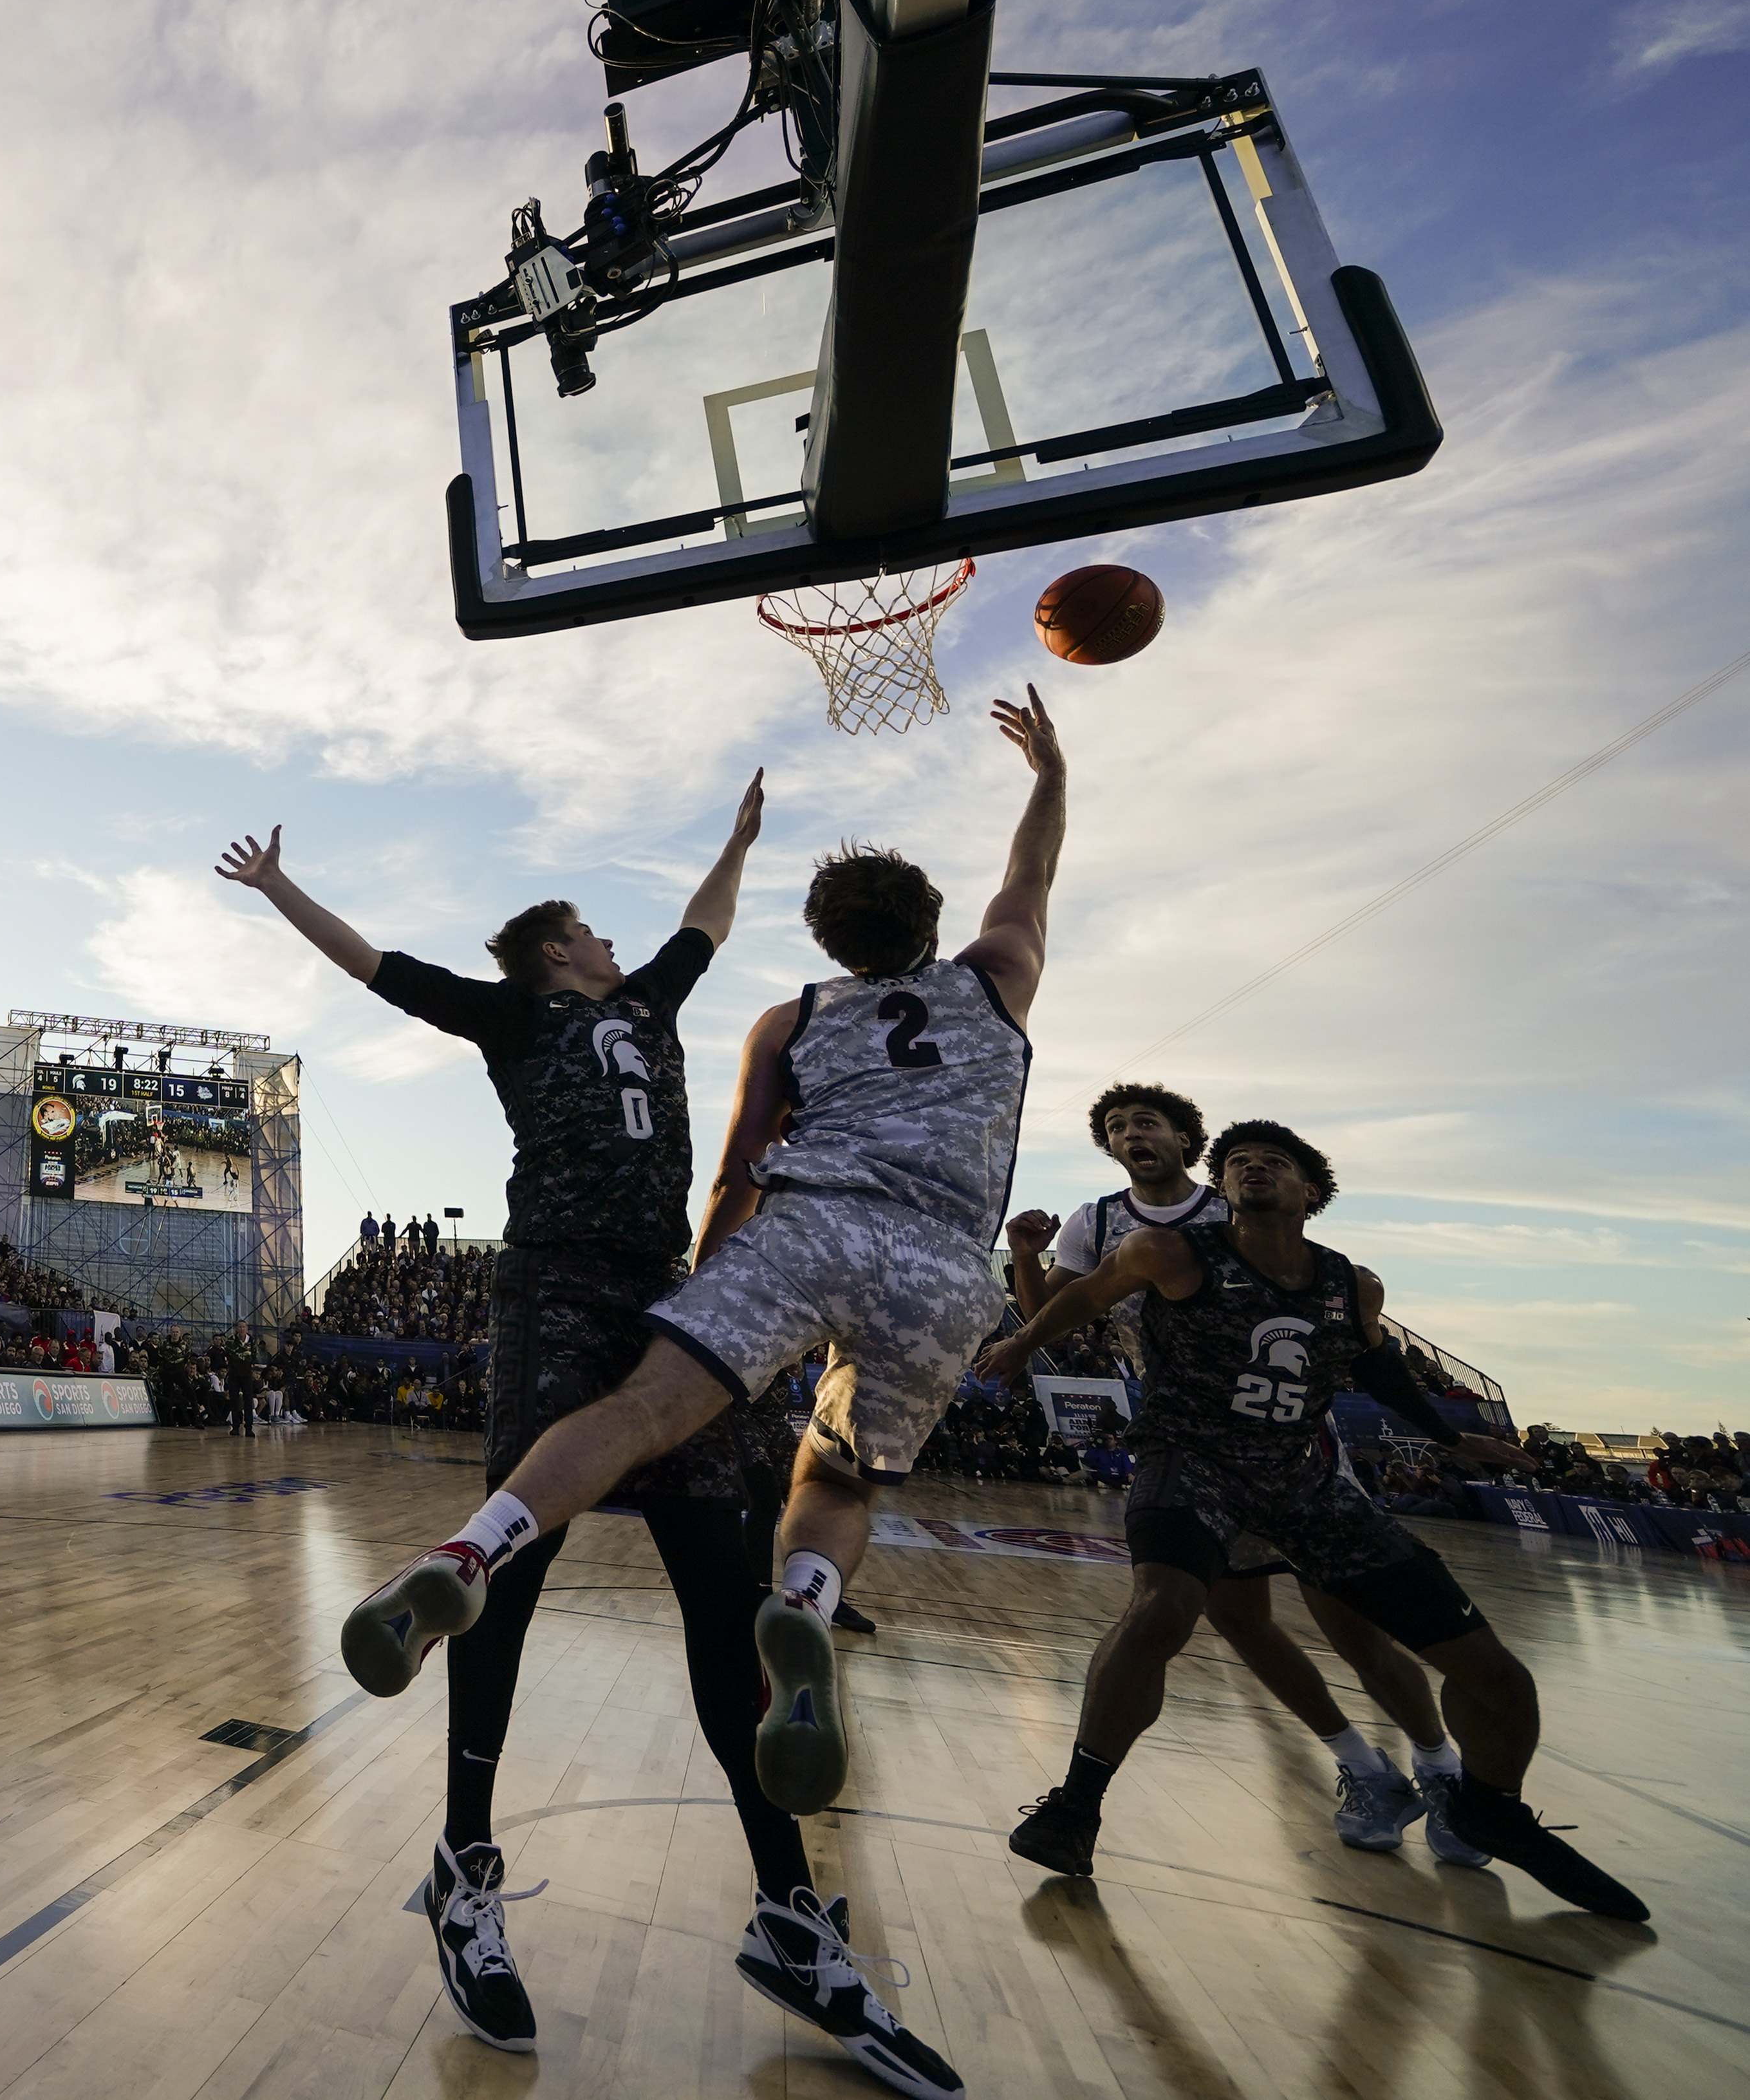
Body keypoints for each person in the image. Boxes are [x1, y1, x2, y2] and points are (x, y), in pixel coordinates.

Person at [218, 771, 941, 2088]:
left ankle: (786, 1911)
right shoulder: (509, 1012)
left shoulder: (648, 999)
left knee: (725, 1600)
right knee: (499, 1577)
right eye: (592, 932)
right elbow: (379, 967)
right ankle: (461, 1865)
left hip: (665, 1294)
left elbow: (699, 925)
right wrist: (276, 890)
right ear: (557, 943)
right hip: (551, 1279)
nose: (615, 943)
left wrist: (734, 842)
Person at [983, 1122, 1643, 1920]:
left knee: (1496, 1676)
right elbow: (1080, 1300)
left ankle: (1485, 1801)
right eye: (1235, 1163)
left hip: (1301, 1475)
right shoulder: (1169, 1251)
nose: (1251, 1168)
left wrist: (1445, 1436)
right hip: (1189, 1460)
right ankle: (1074, 1804)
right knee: (1163, 1608)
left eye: (1273, 1161)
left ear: (1310, 1190)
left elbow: (1373, 1363)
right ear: (1219, 1186)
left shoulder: (1351, 1284)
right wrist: (1020, 1343)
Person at [1010, 1083, 1482, 1862]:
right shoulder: (1095, 1221)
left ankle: (1440, 1767)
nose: (1132, 1133)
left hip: (1289, 1437)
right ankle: (1364, 1767)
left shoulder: (1230, 1205)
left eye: (1146, 1121)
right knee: (1236, 1618)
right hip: (1194, 1439)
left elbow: (1327, 1305)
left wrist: (1437, 1427)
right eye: (1118, 1126)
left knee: (1351, 1627)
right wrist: (1025, 1269)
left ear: (1184, 1137)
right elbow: (1058, 1312)